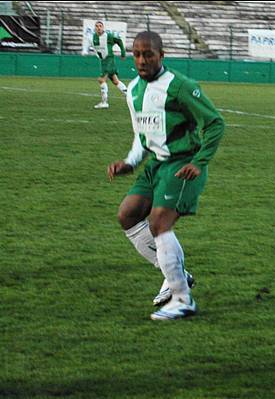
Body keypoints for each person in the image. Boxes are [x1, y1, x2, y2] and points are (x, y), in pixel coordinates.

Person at [107, 31, 225, 320]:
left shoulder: (180, 86)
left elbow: (214, 123)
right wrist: (130, 162)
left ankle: (183, 299)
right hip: (155, 165)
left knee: (159, 222)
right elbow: (142, 136)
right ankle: (176, 273)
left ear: (162, 55)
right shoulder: (133, 90)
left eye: (148, 54)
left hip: (183, 162)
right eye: (136, 54)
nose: (142, 60)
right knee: (128, 214)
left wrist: (200, 160)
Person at [92, 20, 127, 109]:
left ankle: (104, 102)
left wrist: (123, 53)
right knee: (115, 81)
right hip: (103, 61)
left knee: (101, 79)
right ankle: (130, 97)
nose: (98, 27)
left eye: (100, 26)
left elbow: (119, 41)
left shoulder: (108, 36)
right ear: (95, 28)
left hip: (109, 60)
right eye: (97, 26)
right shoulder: (94, 37)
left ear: (103, 27)